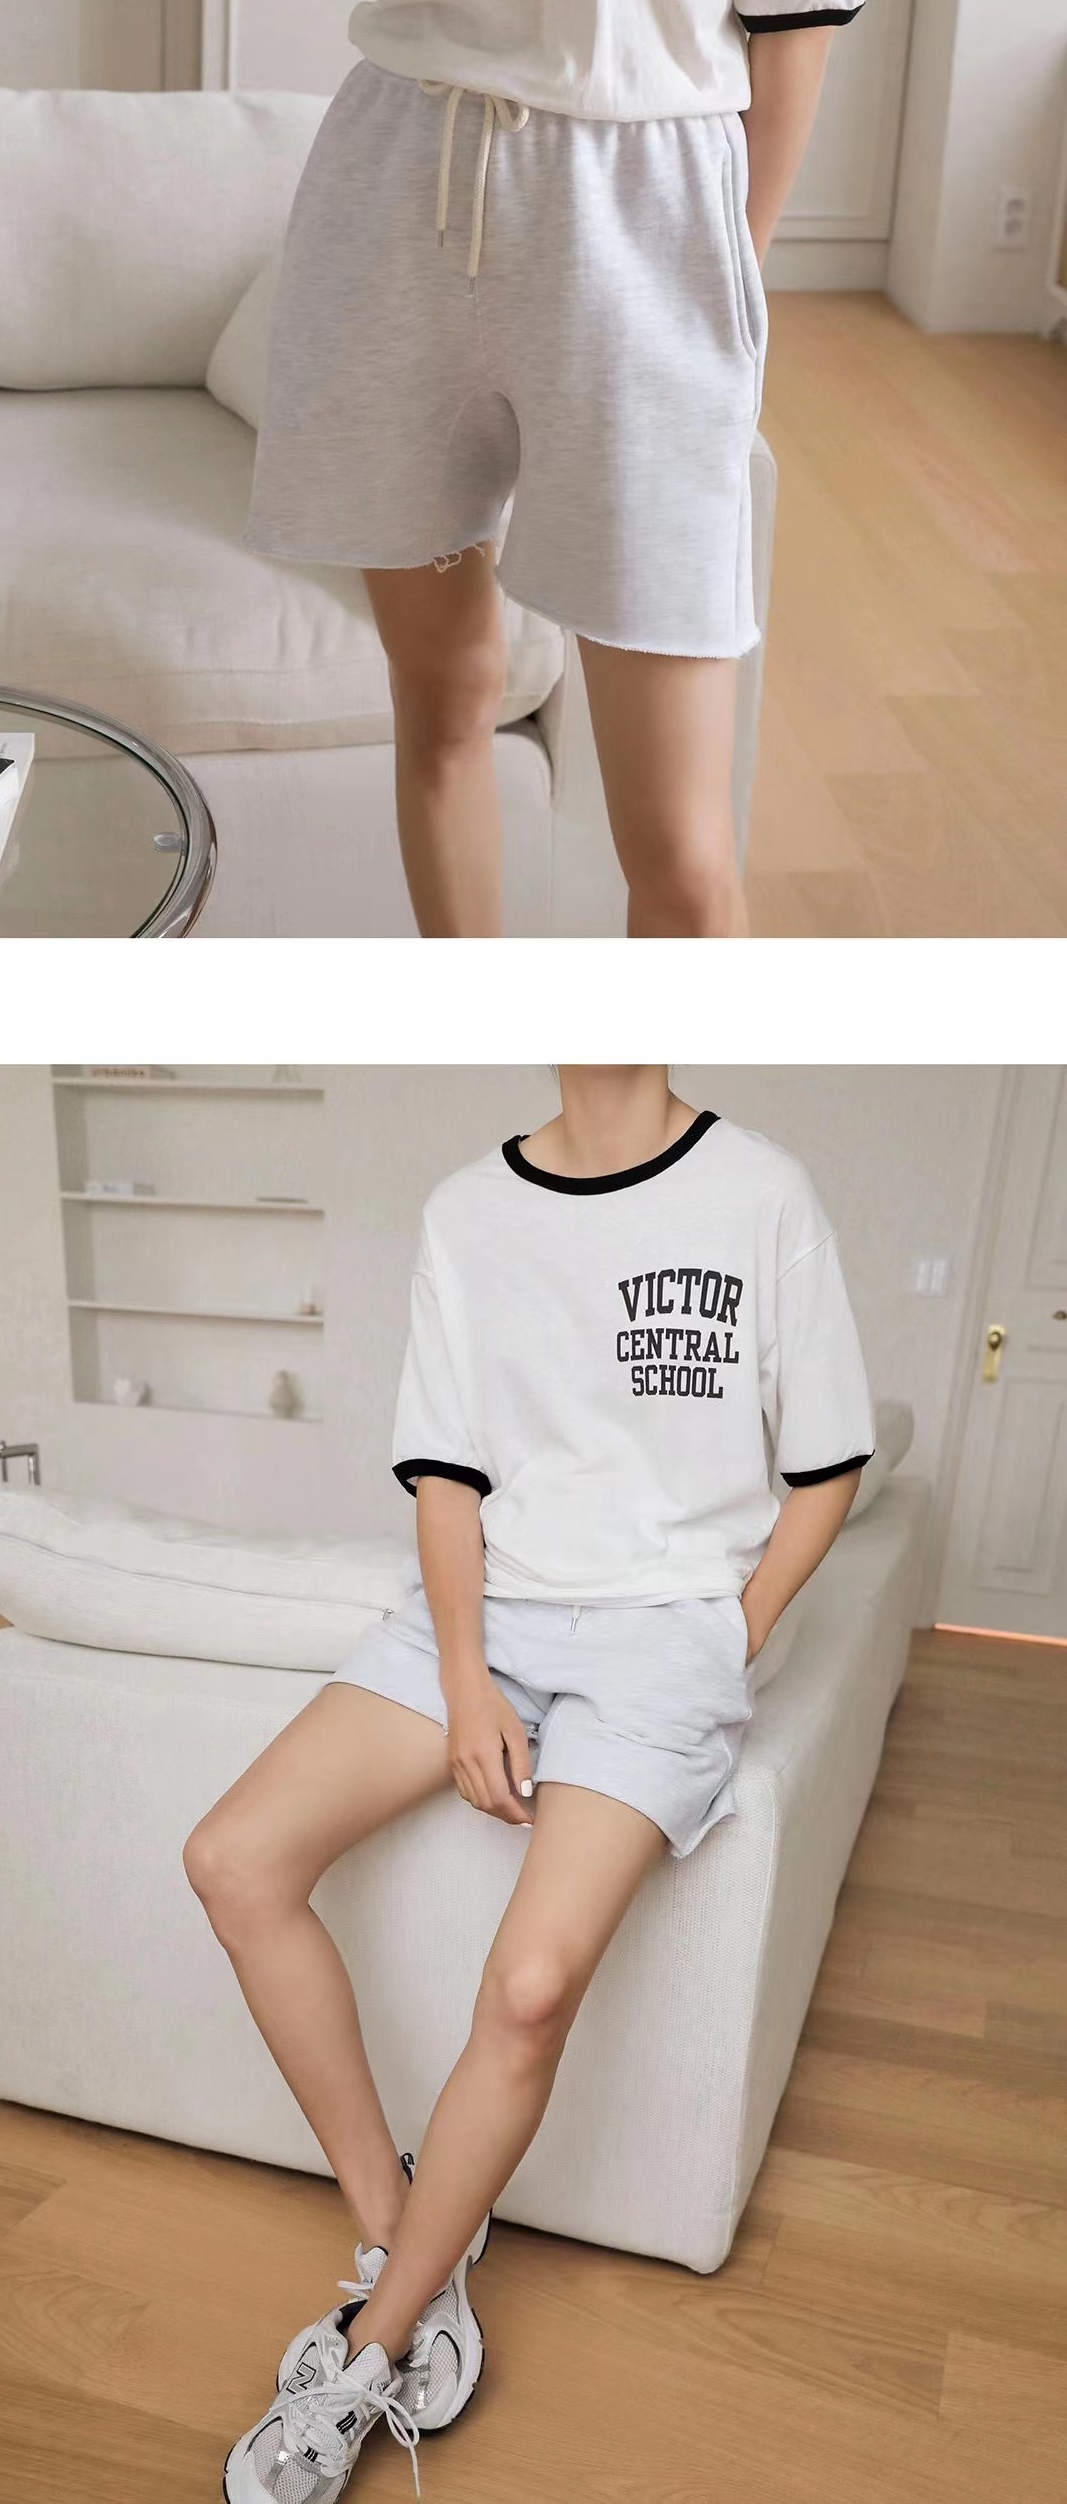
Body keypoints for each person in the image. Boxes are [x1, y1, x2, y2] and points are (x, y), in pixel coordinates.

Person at [188, 1065, 874, 2498]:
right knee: (234, 1857)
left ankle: (367, 2355)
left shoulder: (764, 1193)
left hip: (664, 1642)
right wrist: (463, 1677)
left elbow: (826, 1469)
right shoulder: (467, 1210)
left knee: (531, 1987)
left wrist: (728, 1636)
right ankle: (408, 2239)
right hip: (485, 1618)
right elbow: (448, 1479)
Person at [247, 0, 872, 939]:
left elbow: (798, 8)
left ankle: (645, 1090)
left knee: (681, 848)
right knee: (443, 704)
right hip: (397, 197)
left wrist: (725, 275)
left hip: (644, 214)